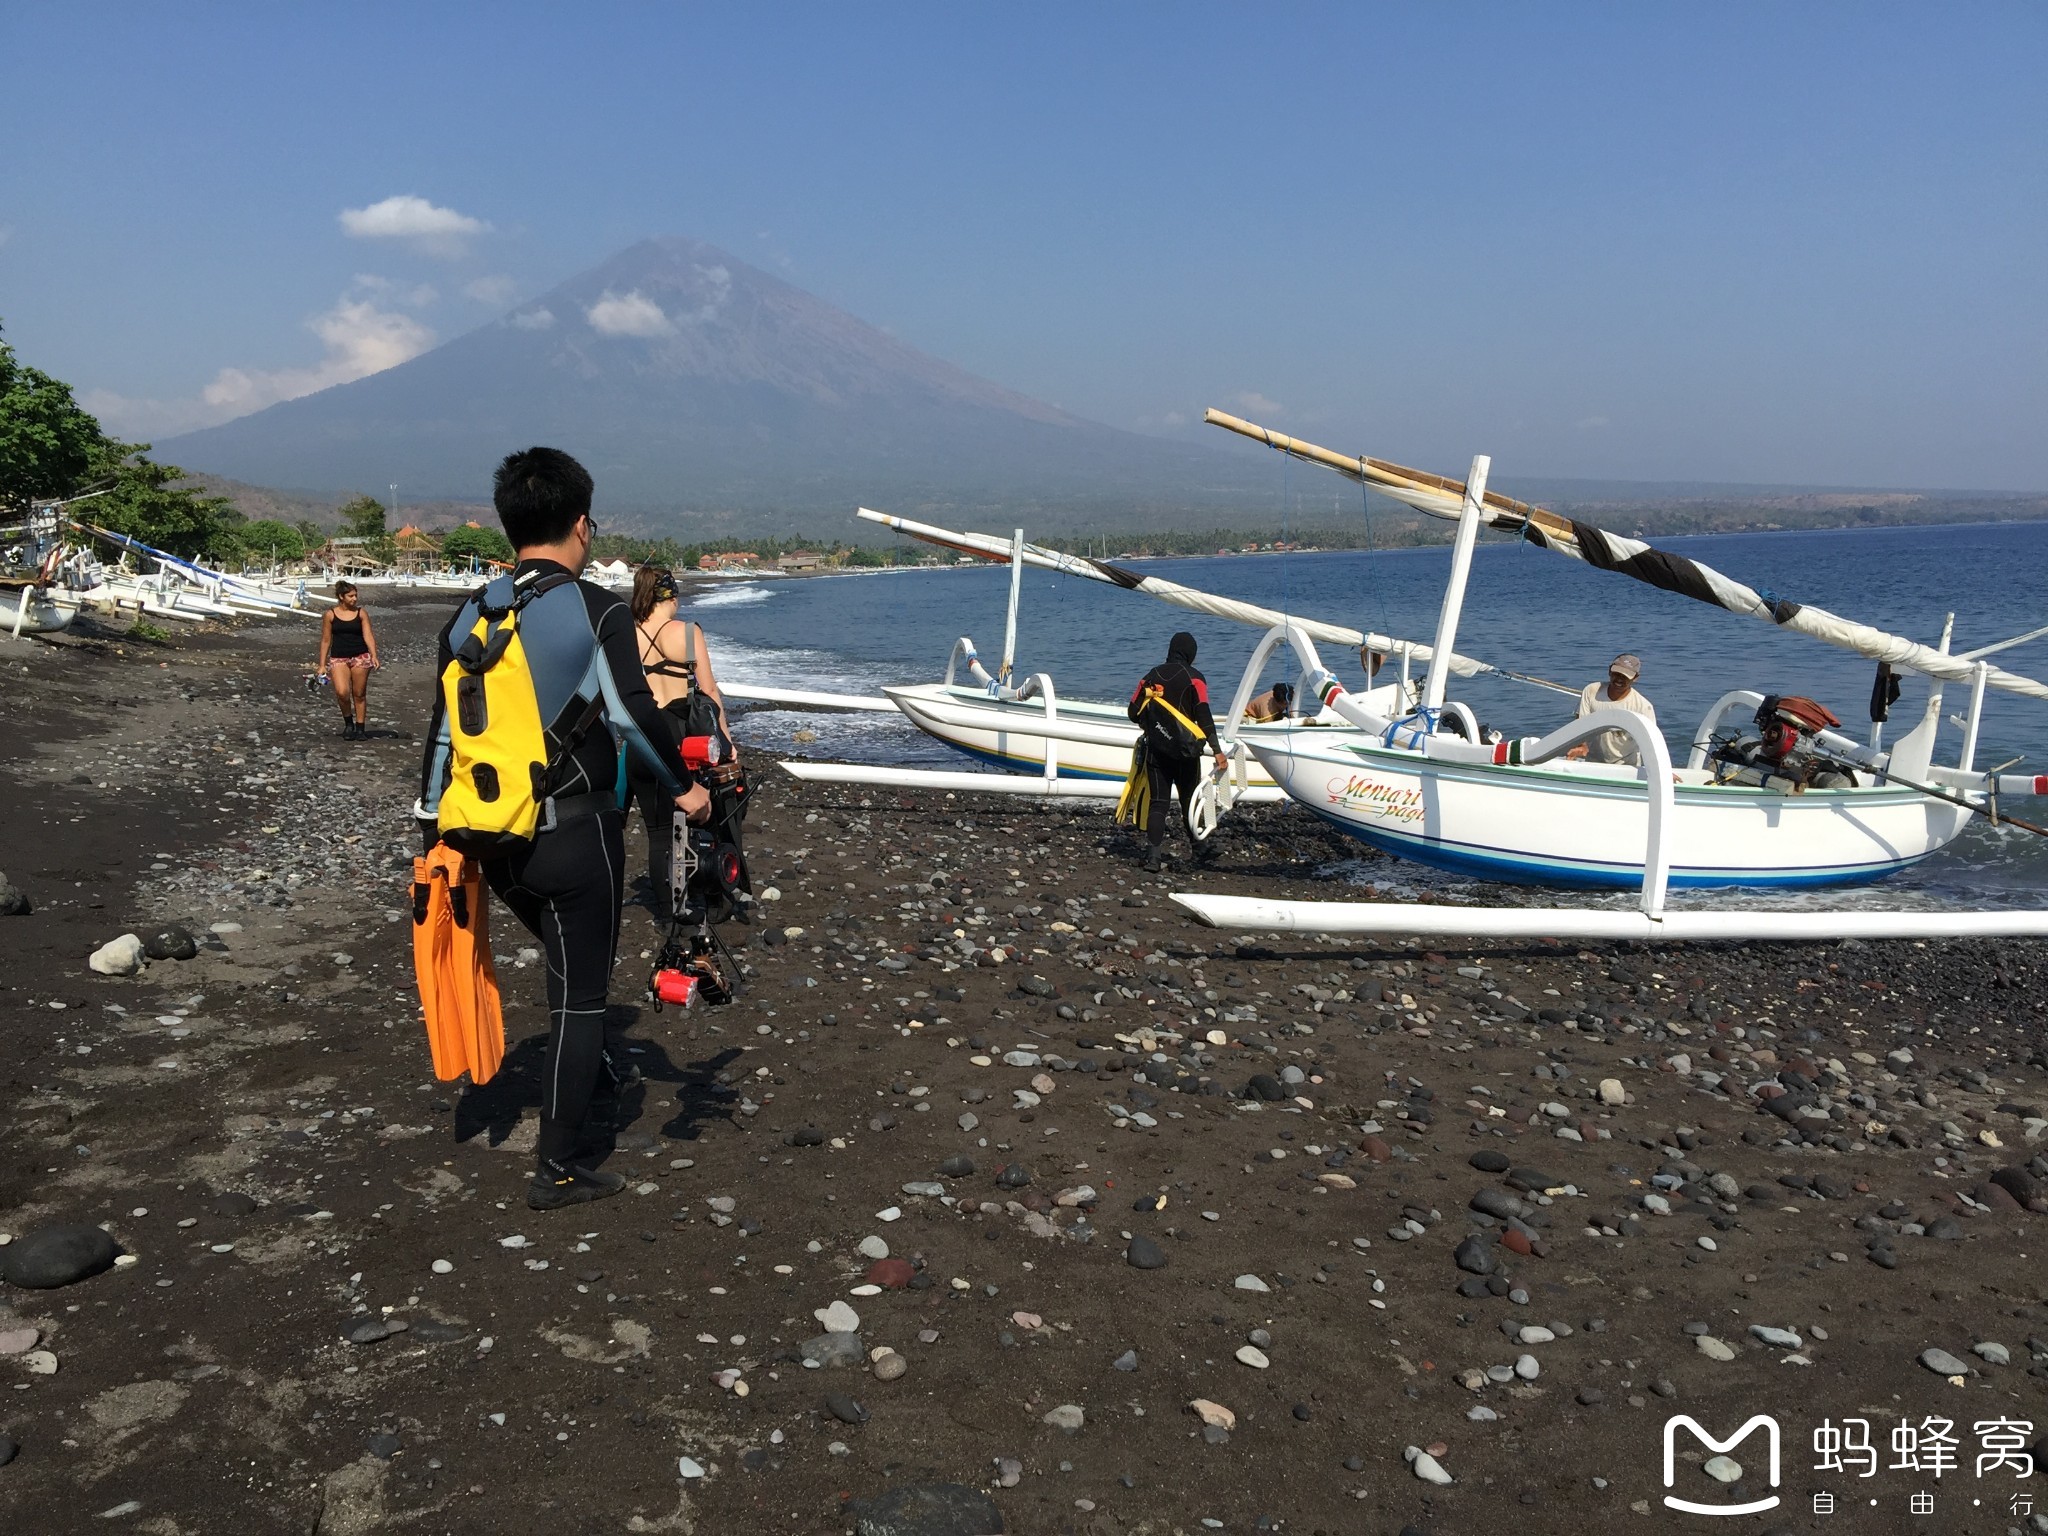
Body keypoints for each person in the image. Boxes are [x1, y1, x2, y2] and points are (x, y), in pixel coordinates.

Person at [417, 448, 710, 1211]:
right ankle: (559, 1167)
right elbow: (631, 715)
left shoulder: (471, 613)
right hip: (574, 834)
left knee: (564, 962)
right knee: (580, 998)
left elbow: (442, 739)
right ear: (582, 524)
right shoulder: (594, 606)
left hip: (488, 840)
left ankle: (591, 1073)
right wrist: (686, 793)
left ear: (513, 523)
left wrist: (433, 838)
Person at [627, 564, 738, 910]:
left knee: (658, 832)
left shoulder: (626, 634)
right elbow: (708, 692)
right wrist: (727, 741)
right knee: (703, 818)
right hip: (678, 738)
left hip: (640, 737)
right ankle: (704, 895)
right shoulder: (687, 632)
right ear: (671, 596)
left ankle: (667, 910)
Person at [1127, 631, 1228, 872]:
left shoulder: (1152, 676)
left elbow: (1132, 712)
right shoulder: (1196, 678)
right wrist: (1217, 750)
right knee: (1189, 802)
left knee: (1159, 804)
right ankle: (1199, 848)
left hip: (1157, 751)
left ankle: (1153, 858)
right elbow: (1204, 715)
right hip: (1186, 754)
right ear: (1191, 653)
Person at [317, 581, 380, 739]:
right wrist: (322, 665)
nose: (354, 599)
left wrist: (374, 655)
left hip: (360, 656)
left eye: (355, 595)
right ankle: (348, 724)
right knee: (342, 692)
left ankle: (360, 728)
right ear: (341, 597)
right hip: (339, 657)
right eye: (350, 596)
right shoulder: (330, 614)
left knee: (359, 693)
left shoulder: (361, 613)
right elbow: (325, 640)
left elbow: (368, 635)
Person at [1571, 652, 1657, 765]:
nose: (1619, 679)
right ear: (1609, 671)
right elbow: (1581, 722)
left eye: (1625, 676)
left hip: (1627, 765)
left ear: (1635, 678)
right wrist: (1581, 745)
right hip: (1593, 761)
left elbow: (1651, 741)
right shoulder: (1591, 691)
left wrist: (1661, 769)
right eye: (1616, 673)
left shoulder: (1644, 707)